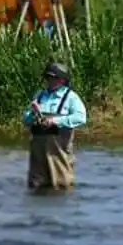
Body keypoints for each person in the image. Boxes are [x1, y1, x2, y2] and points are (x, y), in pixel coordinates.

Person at [22, 62, 87, 190]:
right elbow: (25, 118)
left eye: (52, 77)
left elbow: (80, 117)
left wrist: (55, 121)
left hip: (59, 151)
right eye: (47, 77)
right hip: (38, 152)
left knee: (62, 186)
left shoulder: (71, 97)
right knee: (36, 186)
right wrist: (32, 113)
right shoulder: (40, 95)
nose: (49, 81)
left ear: (62, 80)